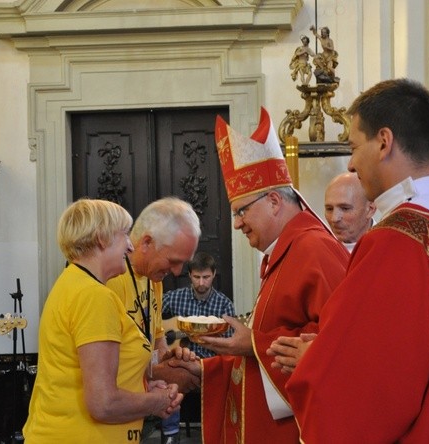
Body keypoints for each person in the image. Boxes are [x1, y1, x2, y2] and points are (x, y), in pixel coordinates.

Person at [275, 79, 429, 442]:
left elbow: (379, 386)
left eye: (354, 147)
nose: (351, 164)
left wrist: (317, 361)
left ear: (384, 142)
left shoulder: (397, 240)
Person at [171, 107, 349, 443]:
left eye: (241, 211)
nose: (236, 223)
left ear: (273, 201)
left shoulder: (314, 249)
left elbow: (340, 346)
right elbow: (274, 345)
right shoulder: (285, 252)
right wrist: (206, 370)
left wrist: (250, 342)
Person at [23, 199, 185, 443]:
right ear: (101, 238)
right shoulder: (94, 296)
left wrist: (142, 392)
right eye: (124, 235)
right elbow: (104, 404)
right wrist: (158, 401)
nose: (131, 246)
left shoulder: (75, 283)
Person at [105, 197, 201, 442]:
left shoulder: (153, 279)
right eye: (174, 261)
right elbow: (101, 378)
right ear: (146, 242)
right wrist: (163, 373)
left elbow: (156, 339)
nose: (178, 273)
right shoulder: (109, 280)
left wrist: (170, 360)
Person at [160, 251, 236, 444]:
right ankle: (171, 435)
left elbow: (229, 349)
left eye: (206, 277)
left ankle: (215, 435)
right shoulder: (174, 298)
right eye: (196, 277)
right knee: (171, 373)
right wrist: (162, 333)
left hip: (208, 363)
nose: (201, 283)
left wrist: (207, 340)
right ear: (190, 276)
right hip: (180, 359)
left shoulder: (224, 305)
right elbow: (150, 315)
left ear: (214, 275)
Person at [323, 172, 376, 252]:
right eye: (329, 209)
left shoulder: (388, 246)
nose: (334, 218)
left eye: (345, 208)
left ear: (370, 209)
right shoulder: (320, 249)